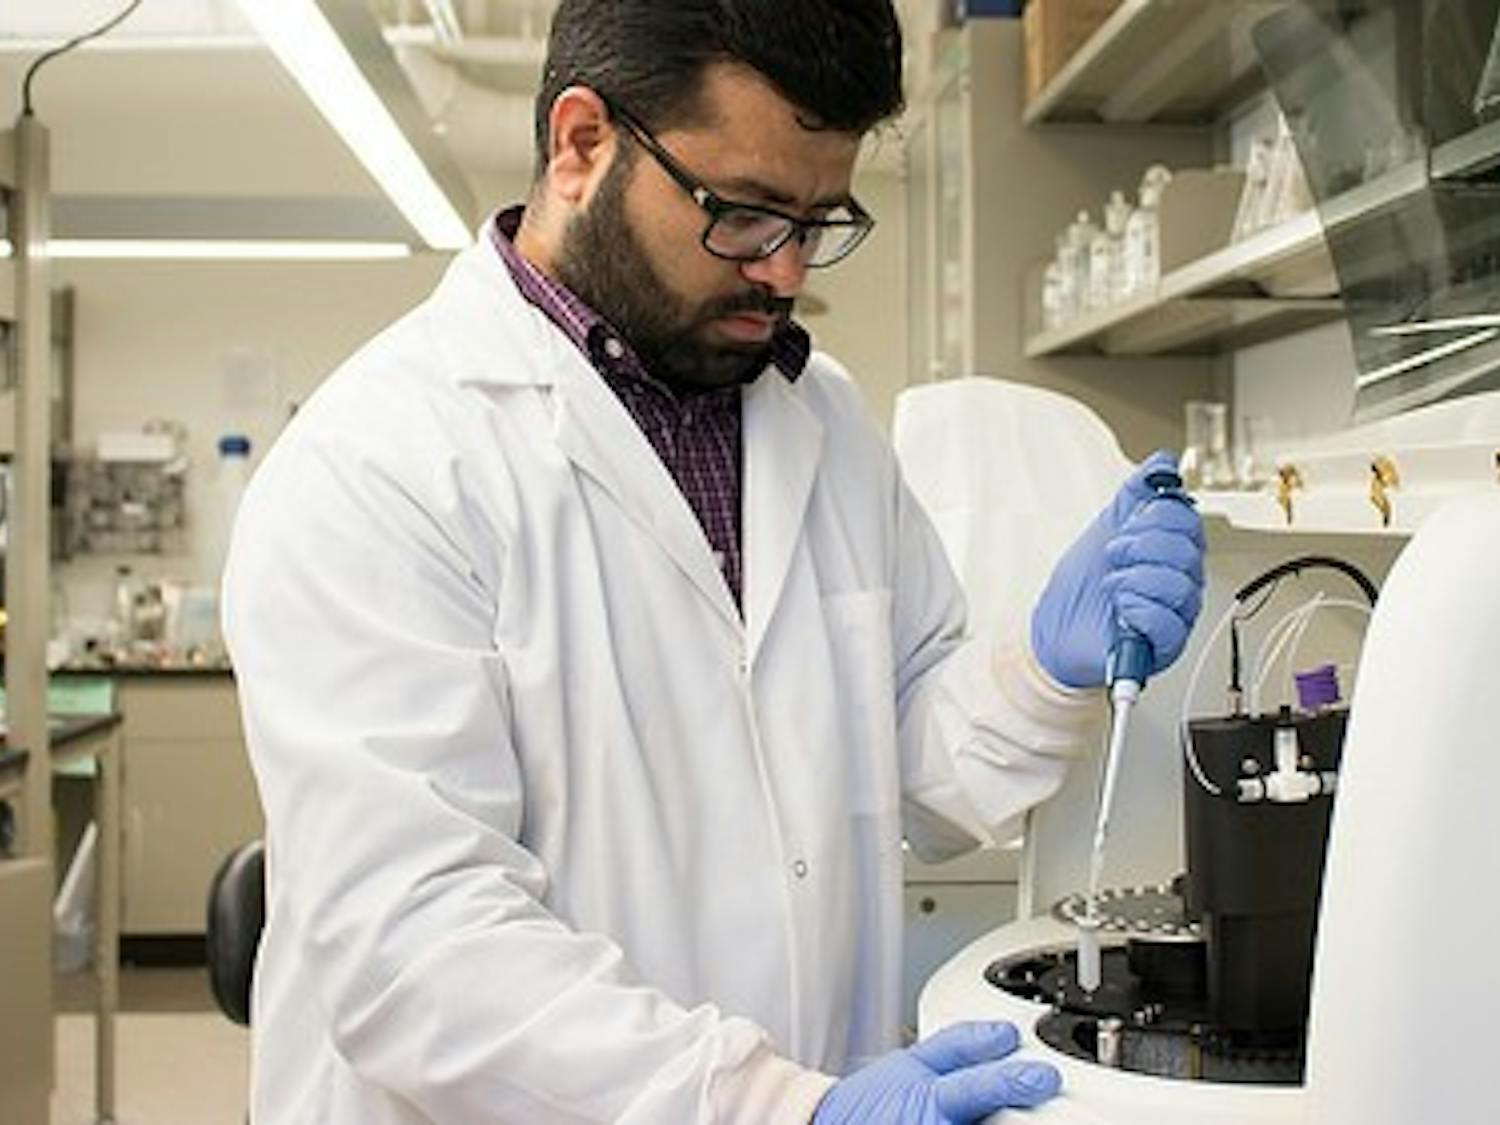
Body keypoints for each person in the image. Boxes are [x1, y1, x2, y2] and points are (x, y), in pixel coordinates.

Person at [222, 2, 1206, 1122]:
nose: (786, 274)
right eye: (745, 215)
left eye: (819, 220)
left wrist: (1038, 670)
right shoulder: (378, 465)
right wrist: (771, 1107)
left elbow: (905, 769)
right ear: (583, 144)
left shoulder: (819, 421)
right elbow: (415, 948)